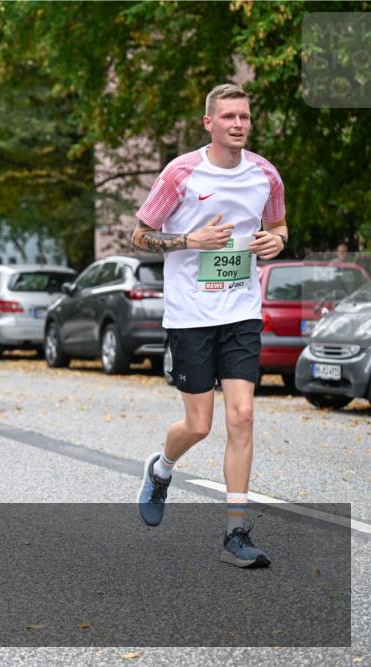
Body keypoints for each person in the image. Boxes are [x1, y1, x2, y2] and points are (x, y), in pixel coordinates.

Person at [131, 83, 288, 568]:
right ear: (209, 123)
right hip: (191, 317)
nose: (238, 124)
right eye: (228, 117)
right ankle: (160, 469)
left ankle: (235, 533)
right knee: (199, 425)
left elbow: (279, 227)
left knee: (241, 416)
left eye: (244, 116)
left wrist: (275, 243)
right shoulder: (181, 173)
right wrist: (188, 239)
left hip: (241, 313)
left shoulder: (265, 174)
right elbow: (139, 236)